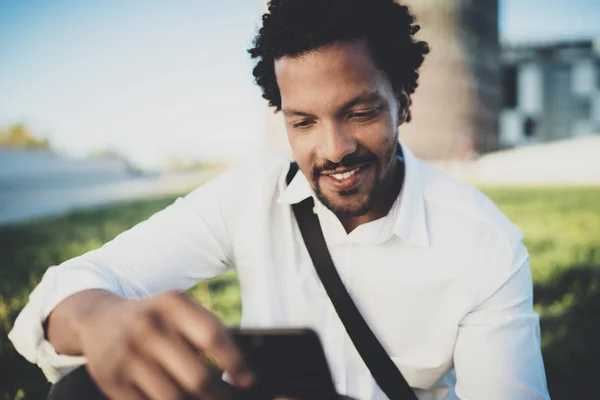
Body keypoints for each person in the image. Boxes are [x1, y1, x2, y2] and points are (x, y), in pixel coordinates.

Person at [9, 0, 550, 399]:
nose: (333, 149)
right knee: (84, 390)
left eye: (360, 112)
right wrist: (100, 318)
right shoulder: (253, 192)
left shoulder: (485, 245)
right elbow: (63, 295)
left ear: (403, 104)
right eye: (304, 122)